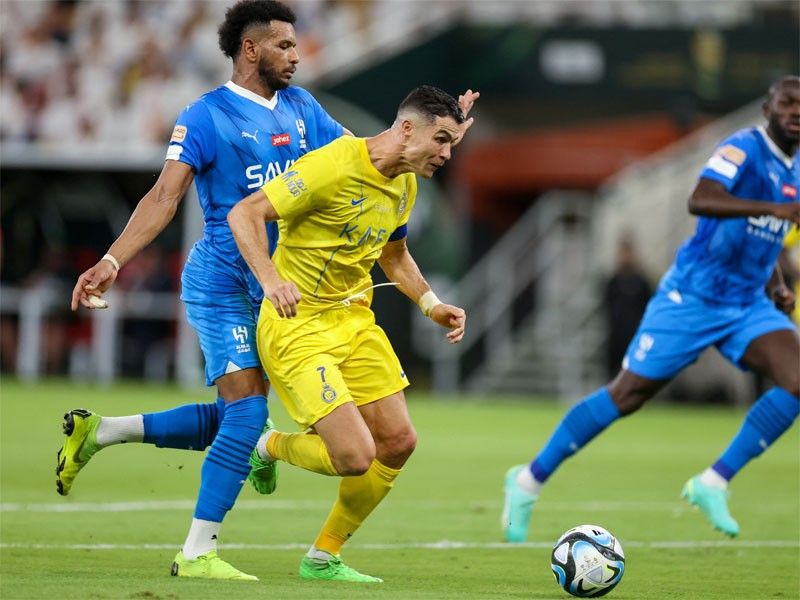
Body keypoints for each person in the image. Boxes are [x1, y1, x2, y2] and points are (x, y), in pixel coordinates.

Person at [57, 0, 349, 581]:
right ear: (250, 50)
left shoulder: (303, 108)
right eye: (285, 46)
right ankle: (195, 554)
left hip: (280, 283)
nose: (296, 55)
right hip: (222, 281)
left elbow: (358, 158)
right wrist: (113, 258)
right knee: (247, 414)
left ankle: (104, 431)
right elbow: (164, 198)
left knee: (238, 419)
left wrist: (419, 131)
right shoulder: (205, 115)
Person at [502, 75, 800, 543]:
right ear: (768, 108)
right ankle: (527, 480)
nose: (795, 111)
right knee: (627, 395)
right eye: (787, 102)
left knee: (797, 380)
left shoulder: (795, 169)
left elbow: (764, 237)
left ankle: (714, 481)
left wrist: (779, 283)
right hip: (693, 297)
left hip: (745, 302)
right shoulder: (742, 148)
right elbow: (700, 199)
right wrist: (774, 210)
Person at [227, 85, 474, 582]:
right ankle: (267, 445)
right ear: (406, 129)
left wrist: (431, 304)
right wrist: (271, 280)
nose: (447, 155)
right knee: (355, 456)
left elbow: (394, 254)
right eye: (441, 140)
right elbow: (246, 213)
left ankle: (323, 556)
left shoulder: (405, 183)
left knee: (399, 441)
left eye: (452, 143)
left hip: (354, 321)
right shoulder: (333, 165)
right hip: (298, 326)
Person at [602, 233, 653, 379]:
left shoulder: (642, 283)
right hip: (616, 335)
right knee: (612, 374)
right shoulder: (613, 282)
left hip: (634, 335)